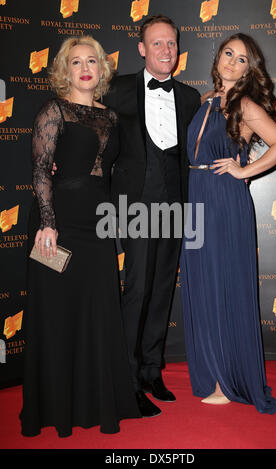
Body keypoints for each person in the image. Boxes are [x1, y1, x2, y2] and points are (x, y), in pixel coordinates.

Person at [20, 36, 141, 438]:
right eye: (76, 62)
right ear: (64, 70)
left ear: (102, 69)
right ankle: (55, 407)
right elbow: (40, 170)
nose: (85, 67)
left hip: (98, 223)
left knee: (96, 312)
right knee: (56, 314)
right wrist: (47, 223)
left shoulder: (111, 117)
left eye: (92, 61)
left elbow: (112, 173)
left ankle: (96, 403)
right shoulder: (53, 110)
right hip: (58, 223)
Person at [180, 33, 276, 413]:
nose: (231, 61)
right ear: (218, 57)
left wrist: (244, 169)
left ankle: (229, 381)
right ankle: (212, 372)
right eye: (228, 53)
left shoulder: (244, 105)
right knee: (203, 287)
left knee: (224, 286)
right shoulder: (205, 100)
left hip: (224, 203)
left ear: (249, 69)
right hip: (196, 201)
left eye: (241, 59)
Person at [103, 15, 200, 417]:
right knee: (138, 290)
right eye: (157, 44)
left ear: (178, 49)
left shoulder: (191, 97)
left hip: (175, 206)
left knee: (162, 291)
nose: (165, 50)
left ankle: (150, 371)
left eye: (171, 44)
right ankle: (126, 380)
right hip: (135, 206)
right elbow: (84, 119)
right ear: (142, 49)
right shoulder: (117, 89)